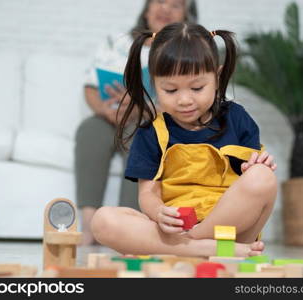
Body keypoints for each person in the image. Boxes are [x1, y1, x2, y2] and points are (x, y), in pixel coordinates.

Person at [90, 23, 278, 257]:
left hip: (231, 233)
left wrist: (258, 166)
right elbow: (148, 193)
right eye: (170, 90)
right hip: (176, 232)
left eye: (197, 88)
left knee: (263, 178)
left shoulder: (237, 119)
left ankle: (190, 247)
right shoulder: (151, 133)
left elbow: (250, 183)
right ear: (155, 85)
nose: (185, 100)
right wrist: (159, 213)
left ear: (217, 78)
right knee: (103, 220)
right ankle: (204, 250)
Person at [76, 0, 198, 246]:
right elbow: (90, 88)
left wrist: (140, 106)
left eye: (175, 5)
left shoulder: (190, 50)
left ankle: (127, 225)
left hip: (151, 120)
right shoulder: (116, 43)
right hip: (111, 116)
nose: (165, 9)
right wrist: (107, 110)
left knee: (142, 135)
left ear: (186, 15)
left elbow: (193, 97)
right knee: (90, 130)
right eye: (160, 1)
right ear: (147, 8)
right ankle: (89, 226)